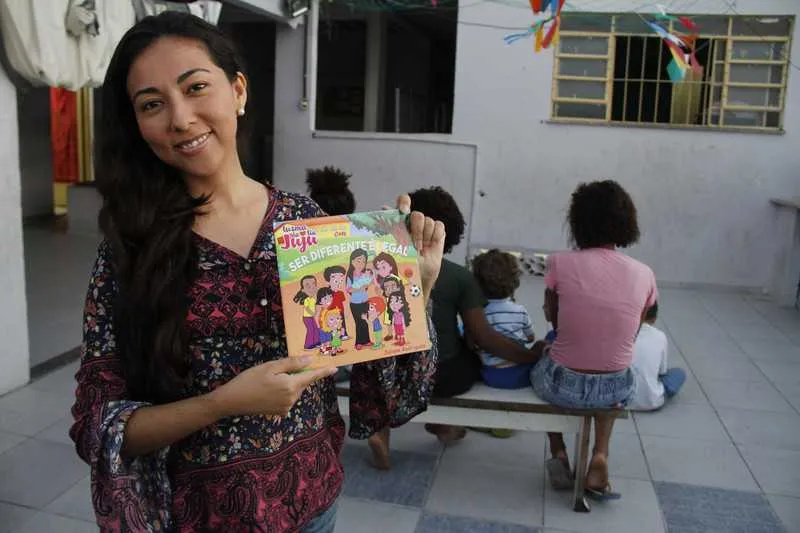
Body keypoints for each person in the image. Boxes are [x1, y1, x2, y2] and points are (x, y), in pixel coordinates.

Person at [68, 13, 445, 532]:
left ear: (238, 90)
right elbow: (97, 428)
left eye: (196, 87)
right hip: (198, 517)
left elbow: (387, 392)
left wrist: (416, 291)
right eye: (152, 104)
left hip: (312, 502)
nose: (180, 118)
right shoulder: (130, 250)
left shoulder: (308, 223)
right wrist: (222, 403)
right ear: (136, 123)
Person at [530, 180, 657, 501]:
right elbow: (632, 332)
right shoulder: (645, 273)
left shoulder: (560, 262)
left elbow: (554, 321)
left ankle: (559, 451)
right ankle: (600, 454)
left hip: (563, 385)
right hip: (616, 386)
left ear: (578, 223)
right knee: (610, 368)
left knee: (545, 356)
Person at [408, 187, 539, 443]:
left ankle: (389, 432)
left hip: (392, 375)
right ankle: (443, 423)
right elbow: (483, 337)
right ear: (448, 230)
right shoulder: (460, 277)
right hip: (440, 378)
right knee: (470, 357)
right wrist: (529, 356)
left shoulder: (384, 267)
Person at [472, 249, 536, 389]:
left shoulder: (479, 314)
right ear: (514, 282)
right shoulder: (521, 311)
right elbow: (531, 338)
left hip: (491, 375)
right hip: (521, 374)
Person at [629, 302, 686, 411]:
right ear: (654, 318)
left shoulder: (623, 332)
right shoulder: (660, 336)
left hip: (620, 400)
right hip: (652, 402)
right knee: (679, 373)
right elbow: (662, 372)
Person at [346, 249, 374, 350]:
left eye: (364, 261)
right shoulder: (350, 276)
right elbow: (348, 289)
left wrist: (369, 282)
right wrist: (358, 288)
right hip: (355, 304)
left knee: (365, 321)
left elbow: (368, 283)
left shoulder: (364, 274)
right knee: (359, 323)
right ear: (352, 261)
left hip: (365, 302)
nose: (361, 263)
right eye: (358, 260)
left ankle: (366, 341)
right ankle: (358, 342)